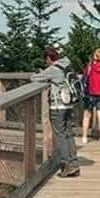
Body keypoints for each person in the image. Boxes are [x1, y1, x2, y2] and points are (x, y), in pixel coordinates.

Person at [30, 46, 80, 177]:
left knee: (60, 135)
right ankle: (74, 163)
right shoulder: (67, 65)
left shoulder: (53, 69)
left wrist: (39, 73)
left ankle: (66, 165)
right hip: (69, 105)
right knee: (69, 134)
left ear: (48, 58)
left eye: (45, 59)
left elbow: (34, 78)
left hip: (58, 106)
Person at [81, 47, 100, 145]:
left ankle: (84, 137)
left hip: (90, 93)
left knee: (87, 115)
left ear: (95, 56)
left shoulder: (90, 67)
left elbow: (84, 77)